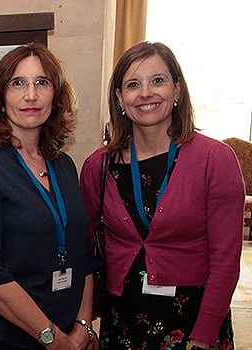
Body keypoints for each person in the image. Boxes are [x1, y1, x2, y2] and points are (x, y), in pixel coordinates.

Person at [79, 41, 243, 350]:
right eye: (132, 84)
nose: (145, 93)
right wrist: (85, 324)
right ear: (119, 98)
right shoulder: (98, 166)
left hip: (193, 325)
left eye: (158, 80)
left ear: (177, 89)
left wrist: (204, 336)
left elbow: (226, 259)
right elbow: (84, 251)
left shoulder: (215, 159)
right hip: (122, 325)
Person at [0, 42, 97, 349]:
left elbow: (83, 257)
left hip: (69, 333)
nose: (30, 95)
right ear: (0, 99)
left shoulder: (64, 165)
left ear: (55, 96)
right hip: (5, 339)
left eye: (41, 83)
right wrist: (54, 339)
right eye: (17, 83)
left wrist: (83, 329)